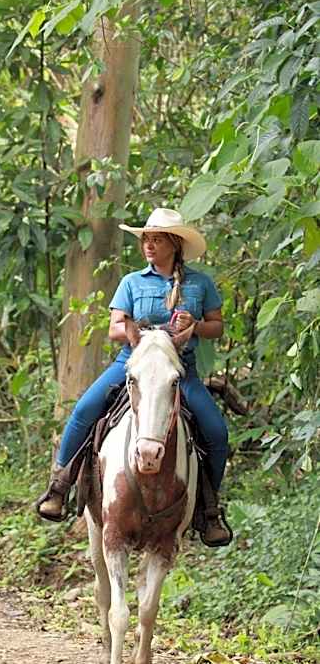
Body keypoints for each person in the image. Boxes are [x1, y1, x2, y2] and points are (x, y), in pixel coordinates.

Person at [36, 207, 232, 547]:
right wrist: (140, 331)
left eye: (156, 240)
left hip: (179, 370)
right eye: (146, 240)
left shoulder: (200, 283)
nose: (149, 246)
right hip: (133, 364)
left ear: (174, 243)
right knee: (84, 410)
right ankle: (59, 486)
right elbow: (115, 327)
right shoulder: (132, 282)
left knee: (216, 430)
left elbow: (216, 326)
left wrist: (195, 326)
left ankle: (209, 509)